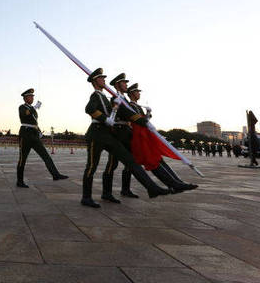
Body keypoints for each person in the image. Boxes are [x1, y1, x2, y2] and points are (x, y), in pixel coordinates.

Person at [82, 69, 169, 208]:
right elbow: (89, 109)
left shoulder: (104, 96)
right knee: (92, 166)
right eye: (101, 78)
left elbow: (113, 114)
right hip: (96, 134)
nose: (104, 80)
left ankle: (151, 187)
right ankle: (86, 197)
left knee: (130, 160)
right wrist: (105, 119)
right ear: (95, 81)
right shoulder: (96, 95)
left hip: (108, 135)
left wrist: (115, 109)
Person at [127, 83, 197, 193]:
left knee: (158, 160)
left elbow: (144, 120)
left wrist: (148, 114)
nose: (139, 93)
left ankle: (177, 182)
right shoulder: (130, 106)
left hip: (145, 134)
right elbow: (138, 121)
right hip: (140, 136)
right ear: (131, 93)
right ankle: (174, 184)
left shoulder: (137, 106)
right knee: (152, 161)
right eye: (137, 91)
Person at [16, 88, 68, 188]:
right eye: (30, 96)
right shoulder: (22, 107)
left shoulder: (33, 110)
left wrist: (39, 131)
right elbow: (25, 114)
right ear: (25, 98)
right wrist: (34, 108)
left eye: (32, 96)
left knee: (45, 155)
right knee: (22, 159)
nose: (32, 98)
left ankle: (55, 174)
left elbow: (34, 122)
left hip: (34, 134)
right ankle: (20, 181)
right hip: (25, 134)